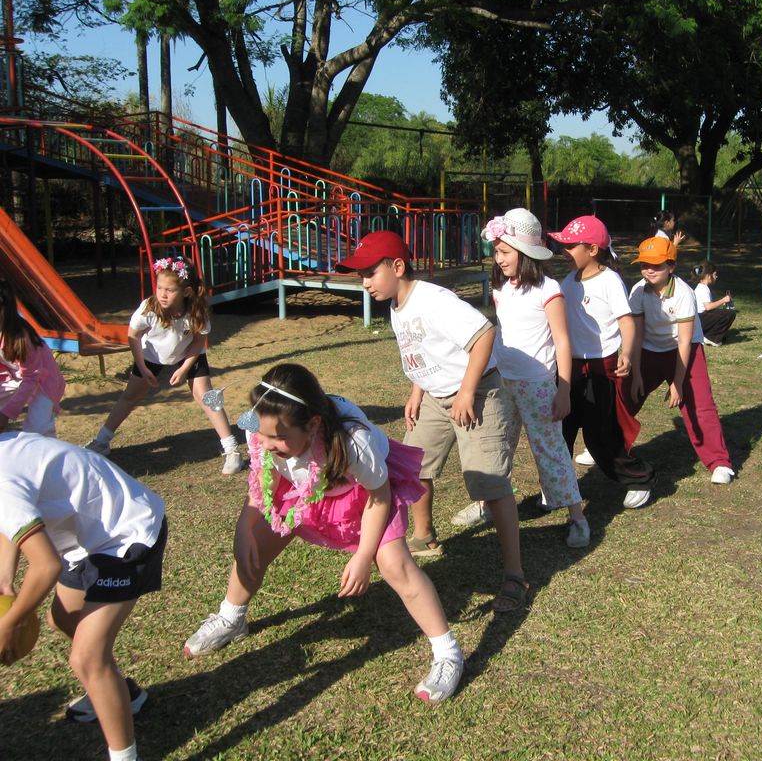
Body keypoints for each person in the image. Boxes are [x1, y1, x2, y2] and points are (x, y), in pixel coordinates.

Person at [183, 364, 465, 702]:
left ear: (313, 424)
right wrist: (246, 526)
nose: (267, 444)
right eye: (262, 434)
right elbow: (261, 481)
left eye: (279, 437)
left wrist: (364, 556)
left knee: (395, 565)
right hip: (302, 489)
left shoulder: (353, 442)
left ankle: (448, 654)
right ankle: (231, 617)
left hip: (363, 495)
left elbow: (379, 496)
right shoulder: (260, 429)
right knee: (253, 545)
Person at [341, 232, 528, 613]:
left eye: (370, 273)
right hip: (435, 397)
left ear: (397, 267)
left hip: (477, 393)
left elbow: (484, 335)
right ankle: (424, 535)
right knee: (413, 466)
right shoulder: (397, 305)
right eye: (361, 275)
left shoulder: (433, 300)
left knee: (489, 483)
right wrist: (417, 392)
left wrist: (466, 391)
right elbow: (422, 352)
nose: (364, 283)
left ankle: (515, 574)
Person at [0, 432, 167, 761]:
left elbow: (46, 566)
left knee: (87, 657)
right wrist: (5, 579)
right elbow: (10, 523)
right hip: (87, 541)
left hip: (127, 532)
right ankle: (124, 694)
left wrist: (10, 623)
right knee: (63, 618)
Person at [480, 208, 590, 548]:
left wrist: (563, 390)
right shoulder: (501, 288)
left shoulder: (548, 289)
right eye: (496, 252)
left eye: (504, 252)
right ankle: (486, 504)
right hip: (502, 381)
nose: (498, 259)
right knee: (497, 444)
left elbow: (562, 341)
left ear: (524, 252)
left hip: (538, 384)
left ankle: (577, 517)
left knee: (550, 450)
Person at [85, 257, 243, 473]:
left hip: (188, 352)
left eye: (169, 290)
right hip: (152, 354)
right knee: (131, 395)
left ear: (186, 292)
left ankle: (232, 450)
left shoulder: (196, 311)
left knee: (206, 395)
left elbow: (199, 341)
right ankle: (101, 442)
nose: (162, 294)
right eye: (159, 287)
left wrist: (184, 369)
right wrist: (142, 367)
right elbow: (133, 335)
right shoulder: (149, 308)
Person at [548, 215, 656, 509]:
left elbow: (627, 323)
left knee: (599, 436)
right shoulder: (567, 281)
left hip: (600, 369)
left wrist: (627, 353)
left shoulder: (610, 281)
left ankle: (638, 479)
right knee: (561, 431)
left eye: (571, 246)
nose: (565, 251)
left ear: (593, 249)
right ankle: (559, 488)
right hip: (568, 369)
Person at [626, 238, 735, 485]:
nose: (649, 270)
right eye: (644, 264)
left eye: (657, 265)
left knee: (700, 404)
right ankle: (607, 446)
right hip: (649, 350)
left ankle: (719, 462)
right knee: (625, 396)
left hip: (685, 350)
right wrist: (636, 374)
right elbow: (636, 335)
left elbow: (685, 342)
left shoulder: (684, 293)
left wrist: (677, 383)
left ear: (671, 266)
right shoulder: (638, 291)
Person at [0, 274, 66, 436]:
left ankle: (48, 448)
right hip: (13, 378)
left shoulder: (21, 338)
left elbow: (31, 378)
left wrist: (7, 413)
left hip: (42, 381)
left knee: (38, 430)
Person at [691, 262, 736, 347]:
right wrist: (723, 300)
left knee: (721, 313)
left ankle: (707, 334)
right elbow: (708, 307)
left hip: (699, 318)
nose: (716, 277)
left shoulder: (700, 287)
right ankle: (711, 338)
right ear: (708, 276)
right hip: (701, 318)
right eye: (715, 274)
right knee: (730, 313)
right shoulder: (704, 288)